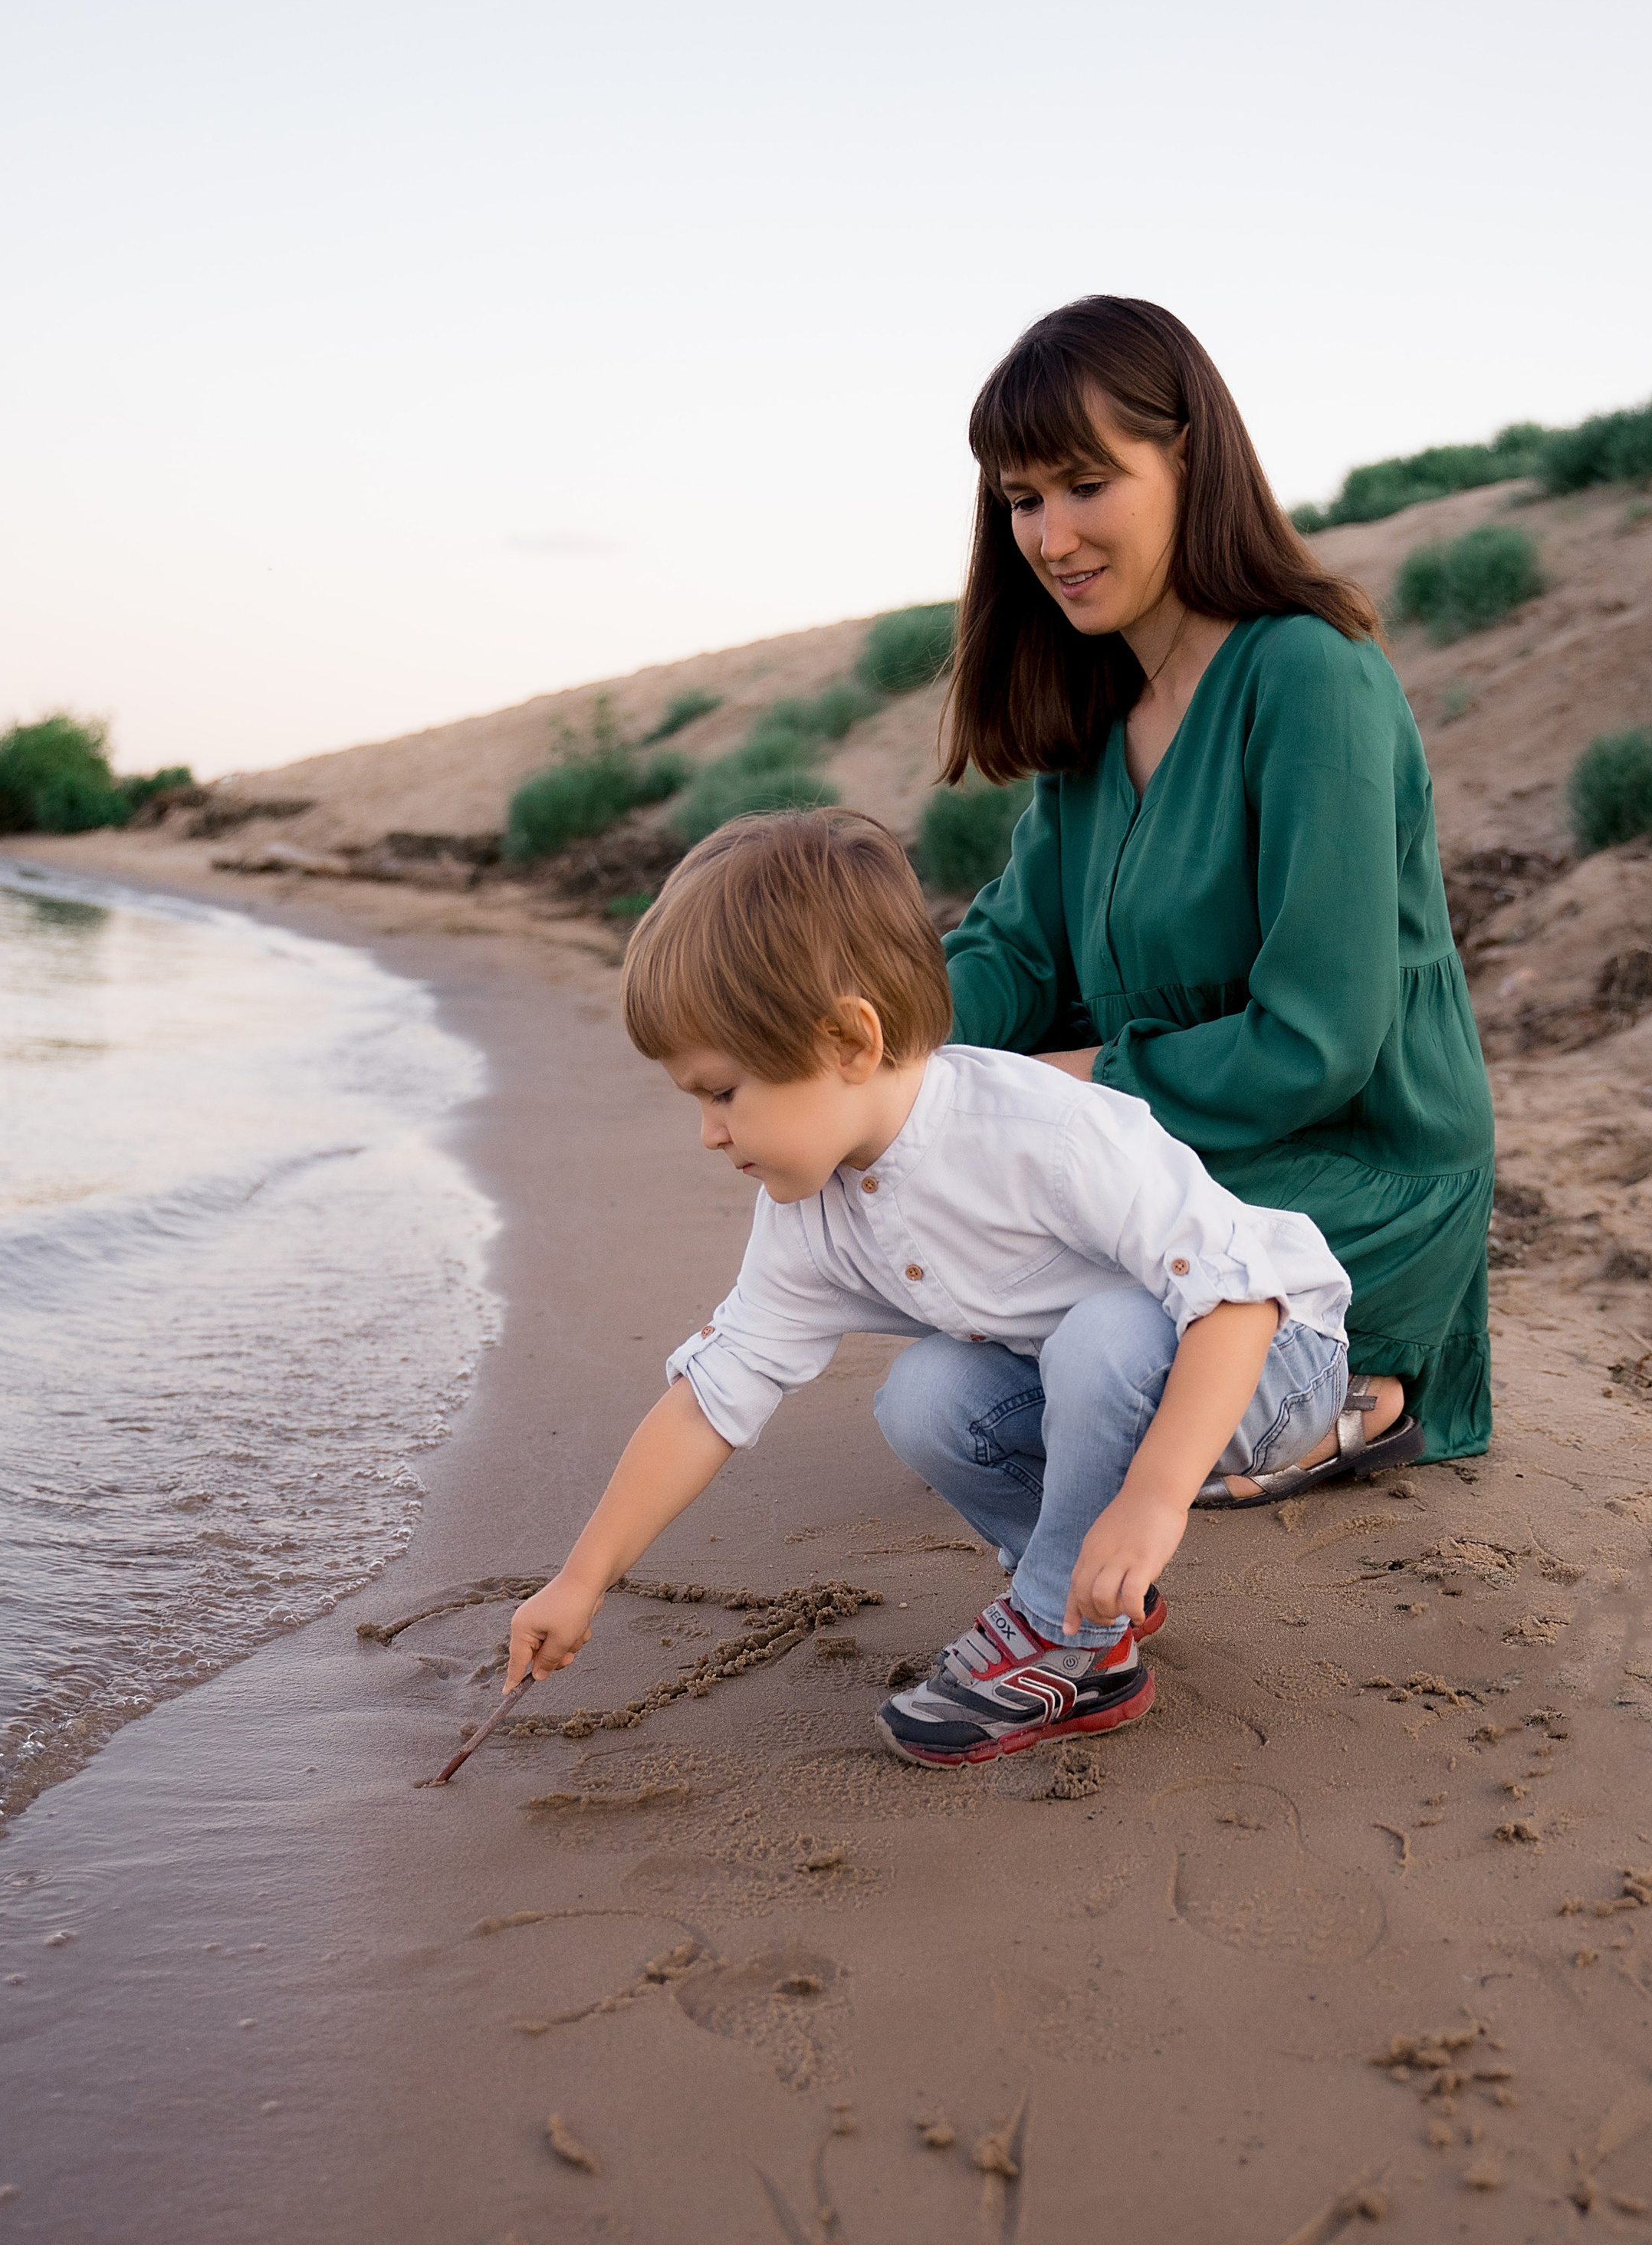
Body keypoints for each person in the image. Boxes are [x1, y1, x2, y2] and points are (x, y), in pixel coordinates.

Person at [504, 810, 1354, 1769]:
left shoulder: (1042, 1133)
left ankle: (1060, 1641)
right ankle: (1091, 1594)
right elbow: (712, 1397)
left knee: (1107, 1332)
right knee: (927, 1396)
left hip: (1268, 1360)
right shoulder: (808, 1214)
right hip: (1104, 1385)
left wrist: (1155, 1501)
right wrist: (580, 1581)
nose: (707, 1132)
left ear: (850, 1042)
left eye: (724, 1092)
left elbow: (1238, 1300)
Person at [941, 296, 1496, 1482]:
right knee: (958, 1360)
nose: (1050, 537)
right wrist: (861, 1051)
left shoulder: (1311, 677)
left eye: (1087, 483)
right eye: (1023, 500)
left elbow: (1318, 1040)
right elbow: (1015, 957)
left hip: (1351, 1168)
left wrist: (1065, 1090)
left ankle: (1365, 1395)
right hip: (1186, 1151)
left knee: (1060, 1337)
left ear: (1190, 456)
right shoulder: (1097, 717)